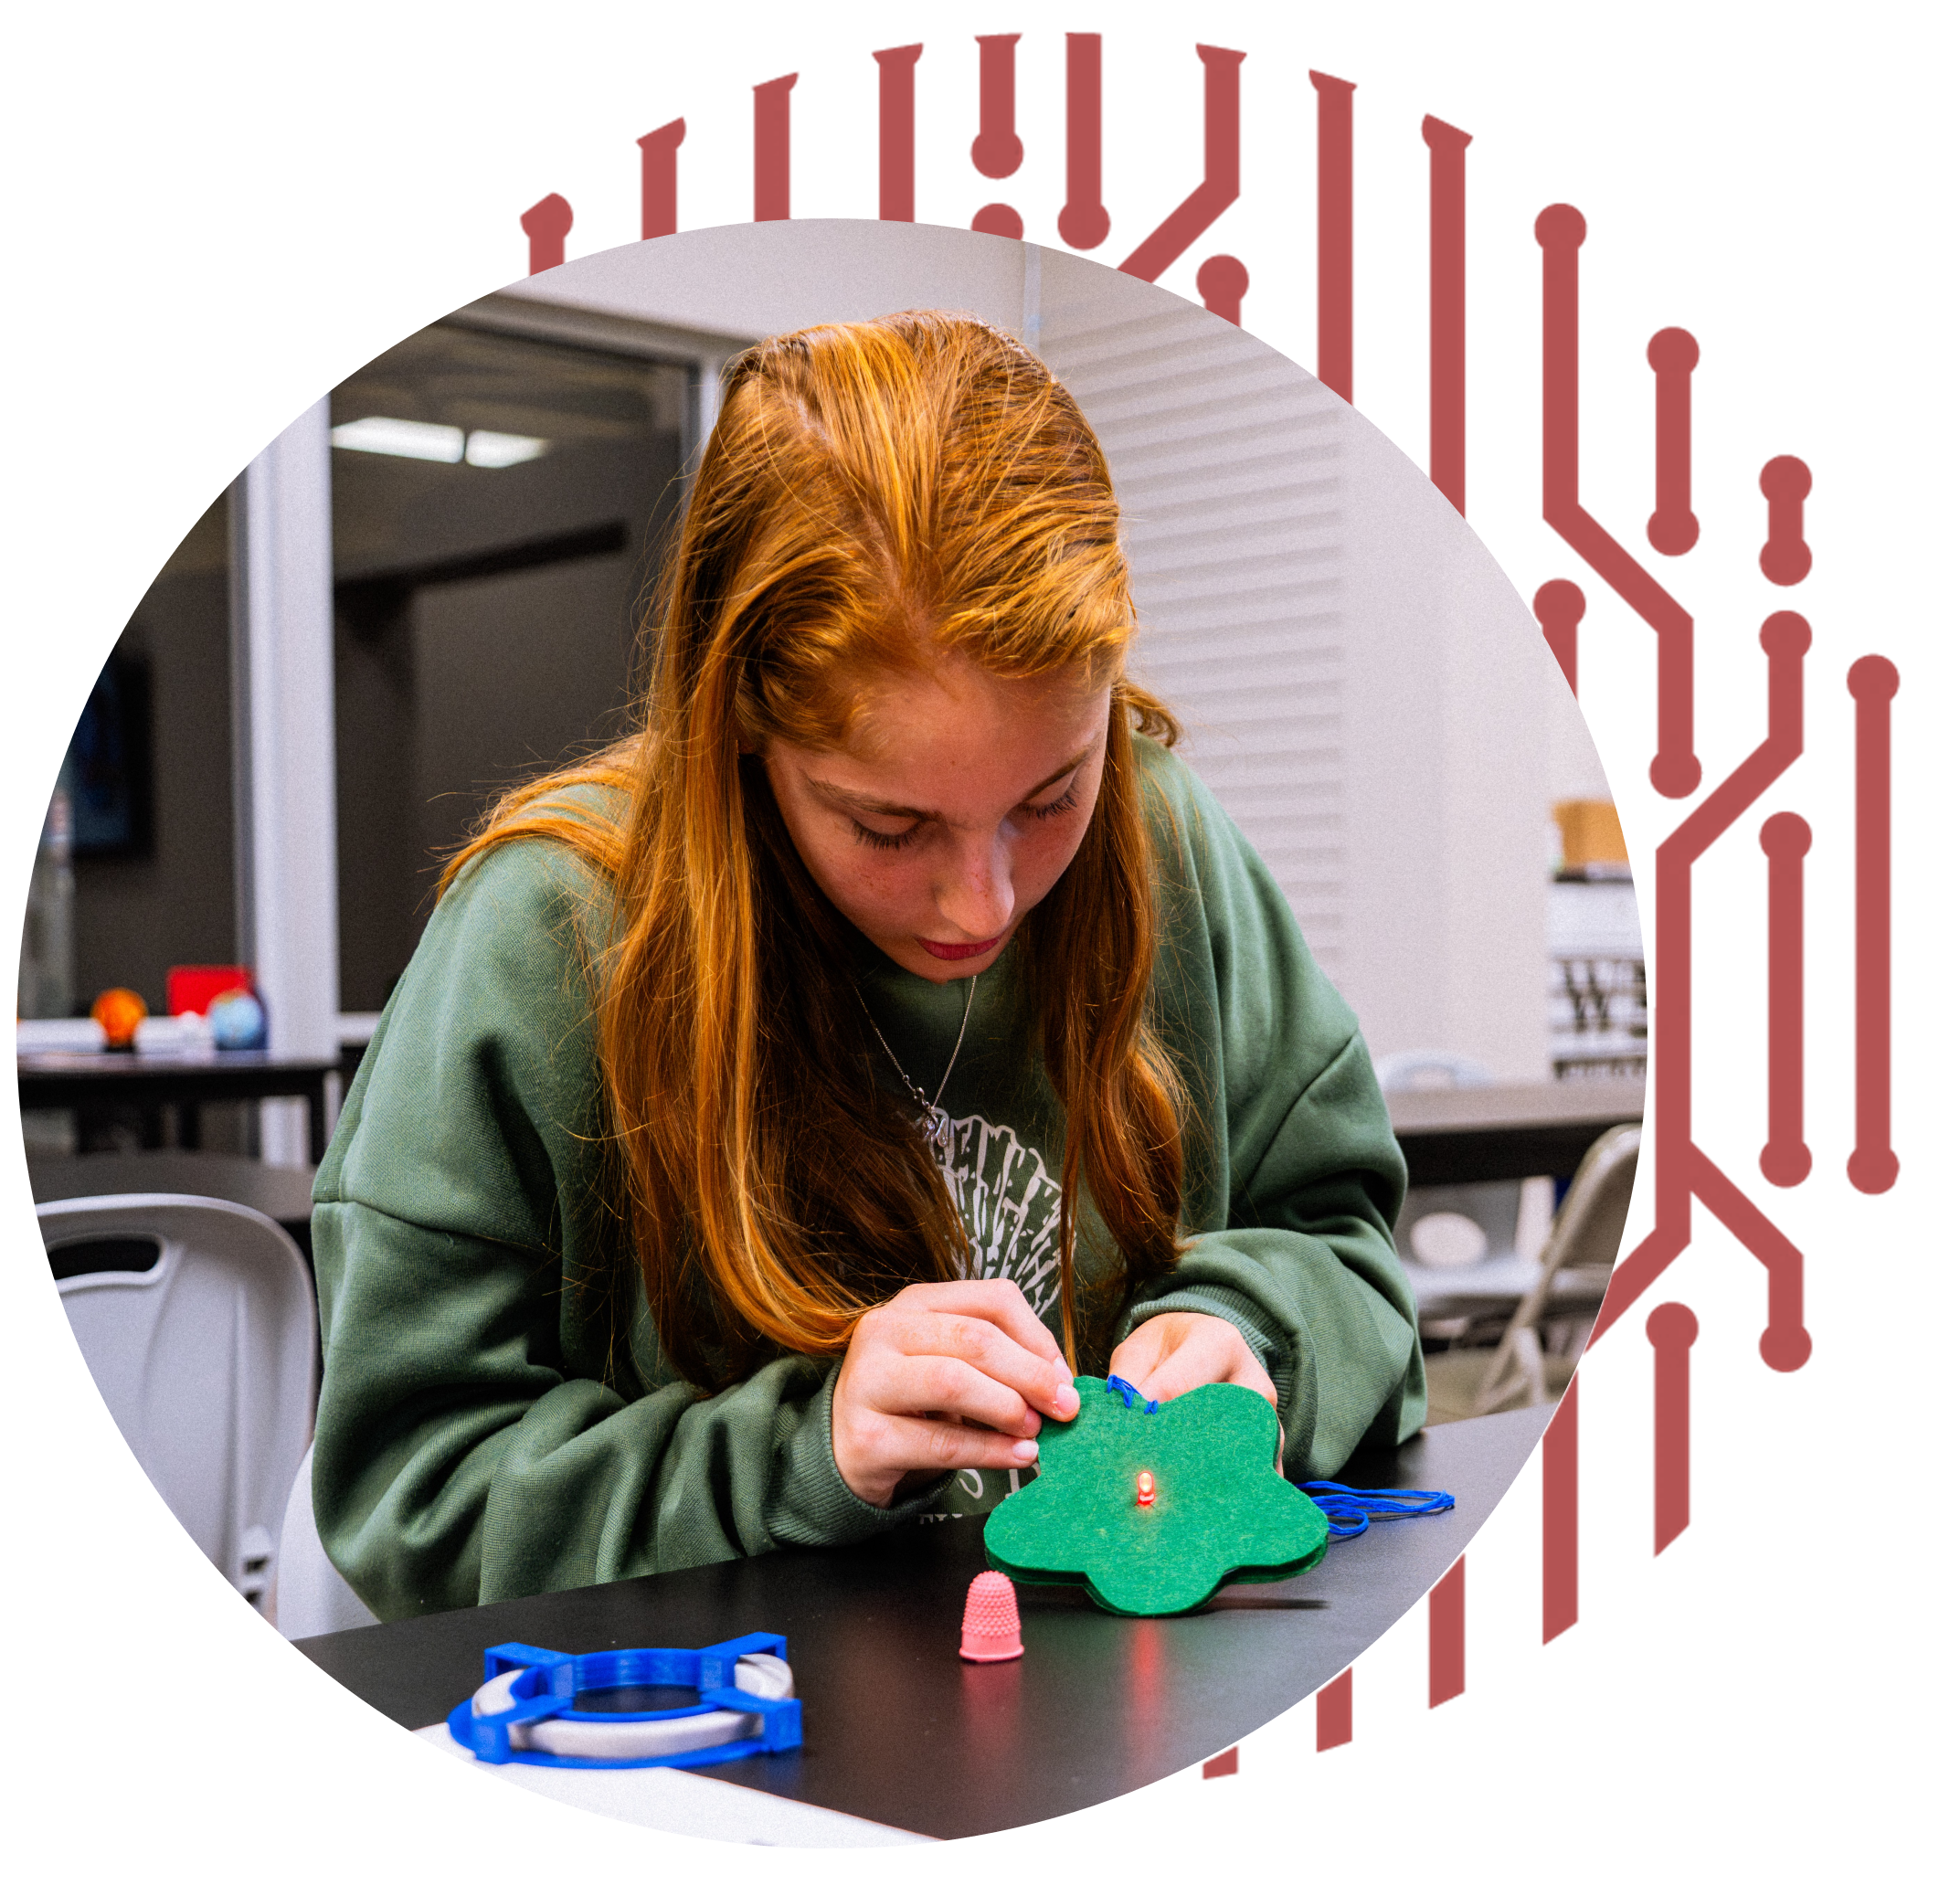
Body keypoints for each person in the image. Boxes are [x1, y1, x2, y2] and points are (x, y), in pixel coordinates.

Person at [311, 310, 1425, 1621]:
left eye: (1052, 794)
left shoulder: (1164, 834)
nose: (985, 897)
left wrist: (1260, 1340)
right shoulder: (551, 934)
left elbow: (1346, 1250)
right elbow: (413, 1493)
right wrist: (797, 1451)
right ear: (738, 719)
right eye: (890, 826)